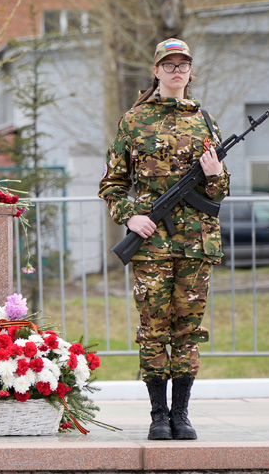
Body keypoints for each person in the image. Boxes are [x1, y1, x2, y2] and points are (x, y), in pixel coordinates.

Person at [98, 38, 229, 441]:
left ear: (190, 72)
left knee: (188, 331)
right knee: (154, 330)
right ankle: (158, 415)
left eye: (183, 65)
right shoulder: (133, 122)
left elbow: (219, 193)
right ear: (155, 71)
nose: (176, 71)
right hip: (152, 246)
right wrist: (130, 217)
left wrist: (214, 176)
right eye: (168, 64)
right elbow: (112, 184)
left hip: (195, 245)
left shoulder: (206, 121)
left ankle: (182, 414)